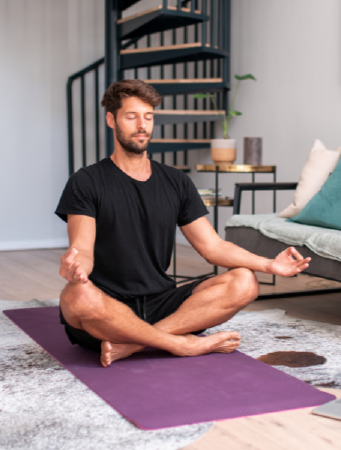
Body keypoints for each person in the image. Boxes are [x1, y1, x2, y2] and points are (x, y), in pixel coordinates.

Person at [55, 79, 311, 367]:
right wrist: (77, 269)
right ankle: (181, 344)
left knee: (244, 281)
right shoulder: (86, 182)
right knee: (77, 297)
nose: (142, 125)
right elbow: (82, 249)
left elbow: (212, 246)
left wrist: (269, 265)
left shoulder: (176, 181)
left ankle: (136, 343)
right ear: (111, 119)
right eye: (132, 116)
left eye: (148, 116)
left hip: (161, 304)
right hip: (107, 308)